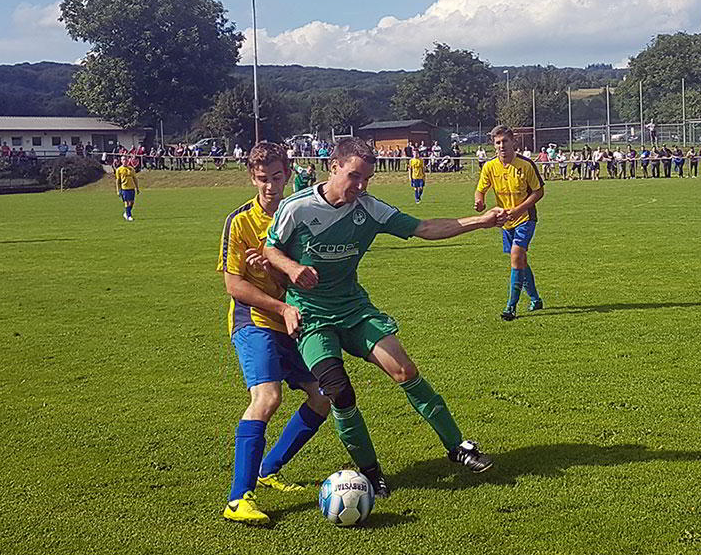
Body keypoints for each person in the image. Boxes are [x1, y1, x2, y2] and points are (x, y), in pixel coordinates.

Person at [262, 137, 499, 498]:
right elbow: (270, 248)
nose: (360, 186)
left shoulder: (369, 208)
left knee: (406, 371)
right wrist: (292, 268)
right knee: (339, 392)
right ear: (334, 167)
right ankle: (371, 473)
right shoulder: (297, 207)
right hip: (312, 317)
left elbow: (423, 228)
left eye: (366, 179)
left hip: (354, 309)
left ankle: (458, 447)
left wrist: (480, 222)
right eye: (354, 176)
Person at [219, 142, 331, 525]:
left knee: (323, 397)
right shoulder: (240, 222)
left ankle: (270, 469)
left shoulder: (300, 215)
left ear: (289, 173)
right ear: (253, 178)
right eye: (263, 179)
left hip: (292, 320)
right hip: (255, 321)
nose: (270, 186)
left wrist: (272, 272)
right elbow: (233, 285)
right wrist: (278, 303)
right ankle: (239, 499)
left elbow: (305, 279)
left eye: (277, 177)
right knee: (267, 397)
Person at [475, 125, 544, 321]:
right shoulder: (489, 167)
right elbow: (480, 189)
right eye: (498, 142)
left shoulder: (526, 165)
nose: (501, 146)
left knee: (516, 256)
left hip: (525, 218)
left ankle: (510, 307)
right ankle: (535, 299)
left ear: (513, 141)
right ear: (493, 145)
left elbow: (539, 192)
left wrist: (518, 209)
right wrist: (479, 201)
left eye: (505, 141)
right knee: (520, 260)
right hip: (504, 222)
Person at [115, 157, 139, 221]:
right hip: (124, 188)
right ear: (121, 161)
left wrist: (137, 188)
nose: (125, 161)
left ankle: (126, 213)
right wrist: (118, 190)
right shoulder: (119, 170)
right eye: (123, 160)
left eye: (126, 159)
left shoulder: (131, 169)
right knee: (127, 202)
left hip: (132, 188)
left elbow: (135, 179)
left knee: (132, 202)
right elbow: (118, 181)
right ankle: (129, 216)